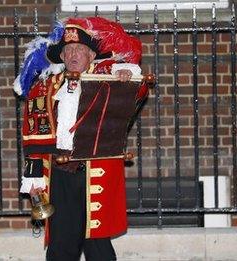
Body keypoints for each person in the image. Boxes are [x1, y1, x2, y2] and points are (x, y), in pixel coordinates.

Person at [14, 17, 147, 261]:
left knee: (97, 244)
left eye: (80, 49)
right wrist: (33, 177)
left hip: (95, 170)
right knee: (62, 244)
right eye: (68, 50)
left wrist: (127, 74)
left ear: (91, 56)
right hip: (59, 173)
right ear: (62, 57)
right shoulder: (43, 87)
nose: (74, 54)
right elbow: (32, 133)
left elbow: (137, 92)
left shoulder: (107, 80)